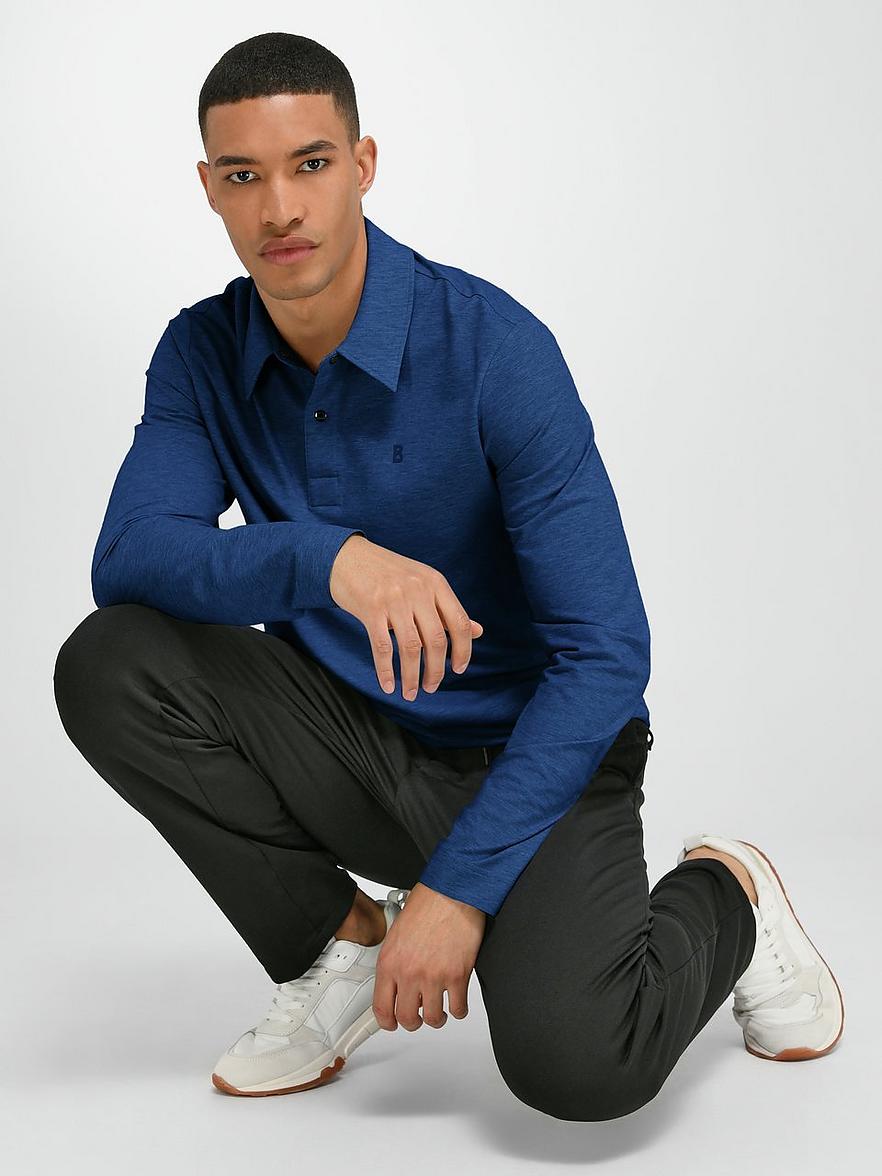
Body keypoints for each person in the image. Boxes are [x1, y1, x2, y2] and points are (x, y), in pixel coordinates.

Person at [52, 32, 844, 1118]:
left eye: (310, 164)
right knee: (112, 662)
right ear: (209, 189)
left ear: (363, 165)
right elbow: (131, 557)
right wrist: (329, 558)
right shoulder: (200, 351)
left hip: (536, 756)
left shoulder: (493, 349)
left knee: (579, 1068)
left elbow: (608, 652)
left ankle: (732, 895)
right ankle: (335, 948)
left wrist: (461, 890)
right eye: (243, 175)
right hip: (356, 740)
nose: (280, 207)